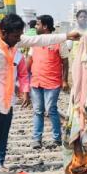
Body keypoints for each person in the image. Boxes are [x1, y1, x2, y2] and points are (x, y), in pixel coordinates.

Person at [0, 13, 80, 174]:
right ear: (3, 32)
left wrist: (66, 36)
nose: (18, 39)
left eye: (20, 36)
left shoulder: (14, 42)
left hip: (7, 106)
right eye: (15, 36)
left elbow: (38, 39)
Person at [28, 15, 69, 149]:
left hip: (53, 82)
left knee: (51, 109)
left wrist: (65, 80)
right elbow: (29, 60)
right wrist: (23, 76)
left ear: (45, 26)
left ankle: (56, 138)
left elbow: (65, 61)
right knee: (38, 110)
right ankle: (36, 139)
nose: (35, 26)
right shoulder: (35, 41)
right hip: (36, 81)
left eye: (37, 24)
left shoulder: (59, 41)